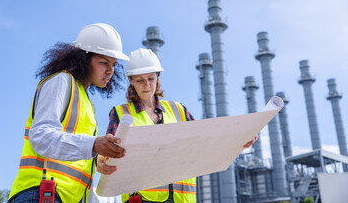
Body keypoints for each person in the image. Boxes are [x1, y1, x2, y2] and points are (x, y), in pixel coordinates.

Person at [101, 48, 257, 203]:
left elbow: (208, 140)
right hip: (142, 199)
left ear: (158, 77)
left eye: (151, 78)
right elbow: (106, 151)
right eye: (139, 80)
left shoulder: (178, 110)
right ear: (131, 80)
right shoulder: (121, 114)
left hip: (182, 198)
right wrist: (101, 160)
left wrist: (240, 140)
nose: (146, 85)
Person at [8, 23, 129, 203]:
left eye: (113, 64)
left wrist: (98, 161)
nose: (110, 70)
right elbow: (41, 136)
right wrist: (94, 144)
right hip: (43, 193)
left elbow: (77, 150)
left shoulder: (86, 101)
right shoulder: (62, 81)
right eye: (104, 62)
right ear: (82, 59)